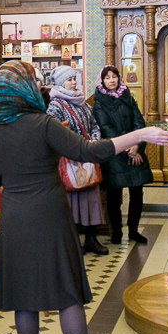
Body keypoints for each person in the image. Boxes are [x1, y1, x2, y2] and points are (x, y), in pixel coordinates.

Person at [0, 62, 168, 334]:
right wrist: (139, 135)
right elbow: (88, 151)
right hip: (49, 215)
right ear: (25, 89)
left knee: (23, 298)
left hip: (14, 218)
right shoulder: (43, 124)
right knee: (68, 294)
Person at [46, 66, 108, 256]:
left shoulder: (83, 103)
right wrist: (76, 146)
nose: (74, 82)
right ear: (60, 83)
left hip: (87, 157)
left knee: (91, 199)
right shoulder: (55, 105)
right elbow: (56, 132)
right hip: (70, 160)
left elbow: (94, 125)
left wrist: (93, 142)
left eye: (75, 79)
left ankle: (91, 238)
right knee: (71, 203)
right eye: (69, 79)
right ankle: (73, 242)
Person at [93, 66, 152, 245]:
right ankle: (116, 232)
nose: (111, 80)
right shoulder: (99, 102)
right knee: (114, 195)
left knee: (137, 194)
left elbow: (139, 122)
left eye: (114, 76)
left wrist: (137, 146)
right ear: (102, 81)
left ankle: (133, 231)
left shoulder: (128, 96)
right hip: (115, 153)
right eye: (107, 78)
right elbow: (106, 128)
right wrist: (128, 145)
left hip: (134, 151)